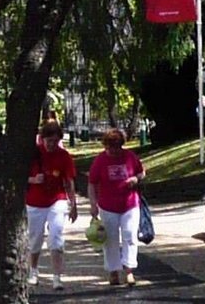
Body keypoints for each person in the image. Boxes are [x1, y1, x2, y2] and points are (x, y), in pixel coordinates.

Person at [87, 127, 145, 287]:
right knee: (110, 240)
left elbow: (141, 172)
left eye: (116, 147)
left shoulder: (130, 157)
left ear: (121, 145)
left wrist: (135, 179)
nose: (112, 151)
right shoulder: (100, 160)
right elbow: (92, 183)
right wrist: (93, 204)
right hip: (107, 206)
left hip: (130, 204)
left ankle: (129, 271)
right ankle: (113, 272)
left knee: (130, 236)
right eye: (109, 147)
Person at [25, 119, 78, 290]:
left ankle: (57, 276)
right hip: (34, 201)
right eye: (49, 141)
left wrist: (73, 204)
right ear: (42, 139)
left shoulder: (64, 156)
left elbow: (69, 181)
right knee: (35, 238)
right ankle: (33, 271)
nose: (52, 145)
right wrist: (33, 179)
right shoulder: (33, 154)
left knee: (56, 237)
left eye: (55, 141)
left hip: (57, 200)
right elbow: (19, 177)